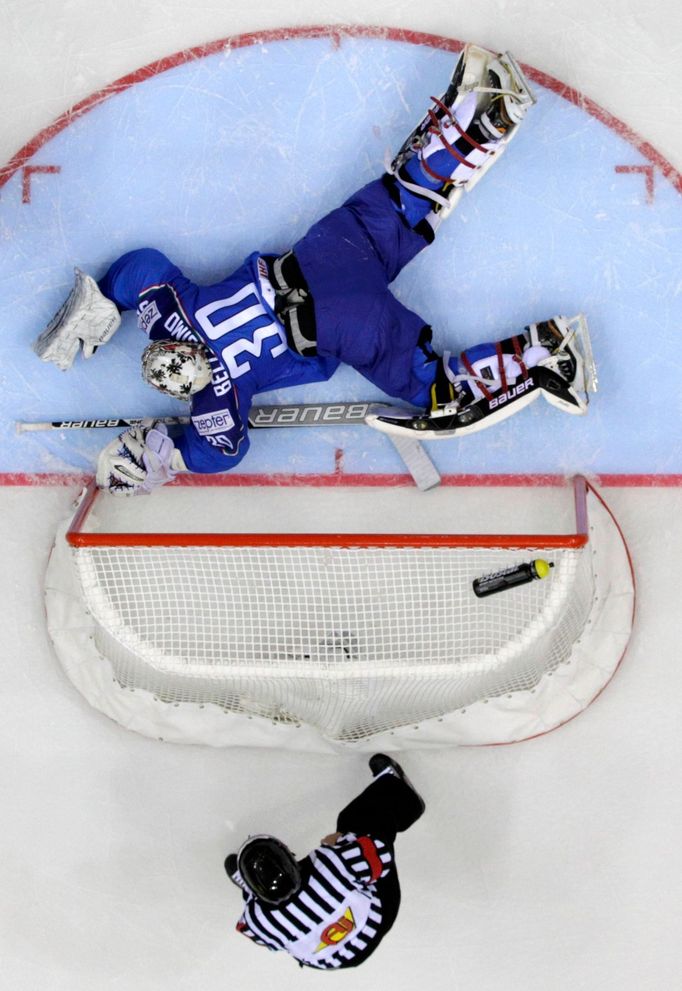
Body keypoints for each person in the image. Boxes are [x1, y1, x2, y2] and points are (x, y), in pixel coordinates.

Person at [33, 44, 596, 495]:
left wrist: (164, 452)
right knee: (405, 195)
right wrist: (103, 300)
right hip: (324, 253)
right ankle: (480, 111)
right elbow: (145, 269)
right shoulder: (171, 315)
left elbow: (222, 451)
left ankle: (550, 351)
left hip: (347, 324)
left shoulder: (217, 398)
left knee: (436, 389)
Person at [224, 754, 425, 970]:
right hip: (376, 919)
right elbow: (380, 854)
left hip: (325, 960)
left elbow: (263, 936)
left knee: (260, 905)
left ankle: (252, 888)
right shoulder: (333, 863)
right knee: (354, 820)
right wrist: (344, 841)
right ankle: (404, 798)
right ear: (289, 854)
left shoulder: (258, 919)